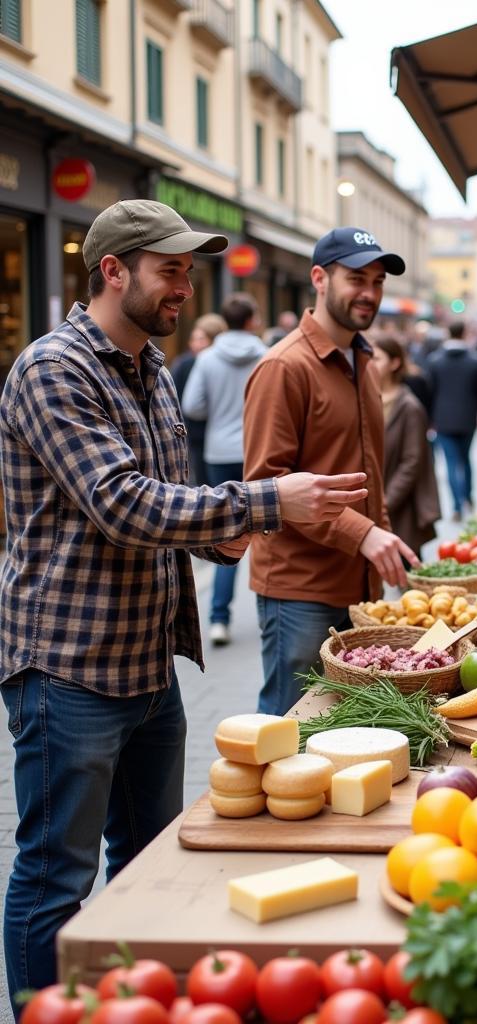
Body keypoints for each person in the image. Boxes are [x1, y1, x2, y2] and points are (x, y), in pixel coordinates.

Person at [0, 199, 369, 1004]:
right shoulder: (52, 368)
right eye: (170, 271)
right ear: (112, 271)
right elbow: (124, 504)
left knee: (146, 870)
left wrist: (232, 536)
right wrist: (269, 504)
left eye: (188, 272)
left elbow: (172, 503)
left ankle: (134, 1005)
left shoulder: (154, 367)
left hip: (147, 665)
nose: (184, 289)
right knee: (54, 877)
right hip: (67, 671)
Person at [244, 226, 419, 716]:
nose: (370, 293)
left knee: (343, 726)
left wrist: (382, 543)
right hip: (299, 590)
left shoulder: (364, 361)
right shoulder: (284, 367)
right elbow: (266, 489)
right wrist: (363, 533)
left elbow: (368, 472)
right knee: (289, 727)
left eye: (378, 281)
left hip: (360, 586)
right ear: (320, 278)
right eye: (356, 278)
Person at [181, 292, 268, 646]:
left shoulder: (209, 358)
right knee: (266, 532)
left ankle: (219, 617)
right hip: (258, 450)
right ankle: (269, 614)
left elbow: (192, 405)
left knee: (226, 535)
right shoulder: (266, 355)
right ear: (250, 320)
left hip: (219, 452)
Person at [372, 336, 440, 558]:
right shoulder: (366, 399)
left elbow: (412, 461)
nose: (370, 363)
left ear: (394, 363)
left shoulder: (409, 407)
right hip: (373, 501)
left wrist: (386, 502)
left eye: (377, 358)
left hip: (399, 507)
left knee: (407, 573)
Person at [424, 320, 477, 520]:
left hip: (442, 419)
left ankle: (457, 506)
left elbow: (429, 392)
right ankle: (468, 497)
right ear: (464, 333)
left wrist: (429, 418)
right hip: (468, 418)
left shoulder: (435, 360)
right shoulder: (475, 359)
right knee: (466, 459)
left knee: (451, 462)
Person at [169, 312, 226, 486]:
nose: (195, 343)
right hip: (194, 436)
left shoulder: (219, 363)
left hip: (217, 436)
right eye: (194, 338)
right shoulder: (183, 364)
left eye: (201, 338)